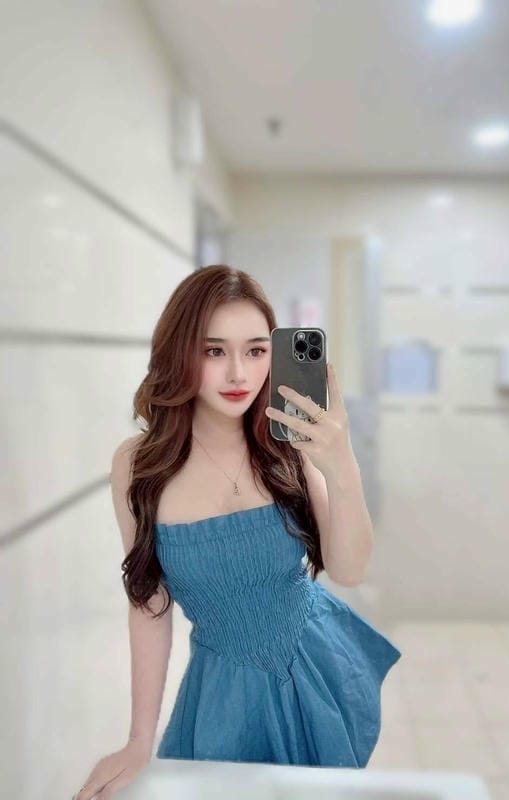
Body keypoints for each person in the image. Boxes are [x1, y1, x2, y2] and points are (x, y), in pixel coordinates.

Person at [73, 265, 401, 799]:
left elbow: (349, 569)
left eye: (255, 350)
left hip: (315, 663)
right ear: (180, 353)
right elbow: (149, 602)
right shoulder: (138, 465)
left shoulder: (287, 444)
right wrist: (138, 741)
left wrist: (341, 464)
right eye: (213, 351)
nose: (237, 374)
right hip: (224, 690)